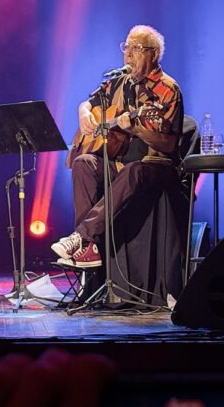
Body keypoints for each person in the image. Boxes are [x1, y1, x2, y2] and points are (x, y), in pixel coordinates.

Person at [52, 25, 184, 271]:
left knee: (134, 170)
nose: (128, 56)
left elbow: (169, 143)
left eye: (136, 49)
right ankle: (88, 250)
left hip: (157, 167)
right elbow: (88, 102)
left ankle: (82, 236)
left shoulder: (168, 89)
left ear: (154, 55)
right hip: (120, 163)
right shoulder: (120, 82)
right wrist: (83, 113)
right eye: (126, 48)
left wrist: (136, 130)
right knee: (83, 163)